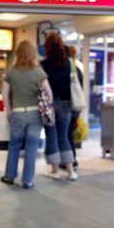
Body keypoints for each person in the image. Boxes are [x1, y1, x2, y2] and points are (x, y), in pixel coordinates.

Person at [0, 40, 52, 189]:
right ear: (32, 54)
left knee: (14, 145)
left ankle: (10, 176)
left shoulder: (11, 72)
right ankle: (27, 181)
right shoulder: (39, 72)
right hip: (35, 114)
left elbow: (4, 95)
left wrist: (9, 111)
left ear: (18, 53)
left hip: (17, 113)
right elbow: (50, 94)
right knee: (32, 148)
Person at [41, 34, 79, 181]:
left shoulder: (43, 65)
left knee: (52, 136)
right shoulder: (69, 63)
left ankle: (55, 170)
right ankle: (71, 172)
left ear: (47, 47)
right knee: (64, 137)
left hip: (49, 105)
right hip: (66, 104)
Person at [60, 45, 83, 171]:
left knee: (66, 134)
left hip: (69, 105)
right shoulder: (77, 69)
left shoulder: (68, 68)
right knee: (69, 133)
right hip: (76, 106)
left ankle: (71, 160)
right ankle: (71, 159)